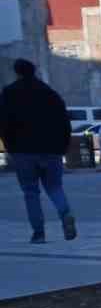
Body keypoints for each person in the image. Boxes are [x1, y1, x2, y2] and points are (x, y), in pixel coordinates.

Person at [0, 59, 77, 243]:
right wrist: (62, 147)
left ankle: (39, 233)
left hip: (23, 152)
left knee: (30, 192)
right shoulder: (50, 93)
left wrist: (10, 147)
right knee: (55, 187)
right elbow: (65, 122)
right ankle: (65, 213)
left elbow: (3, 123)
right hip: (51, 150)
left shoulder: (9, 94)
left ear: (17, 73)